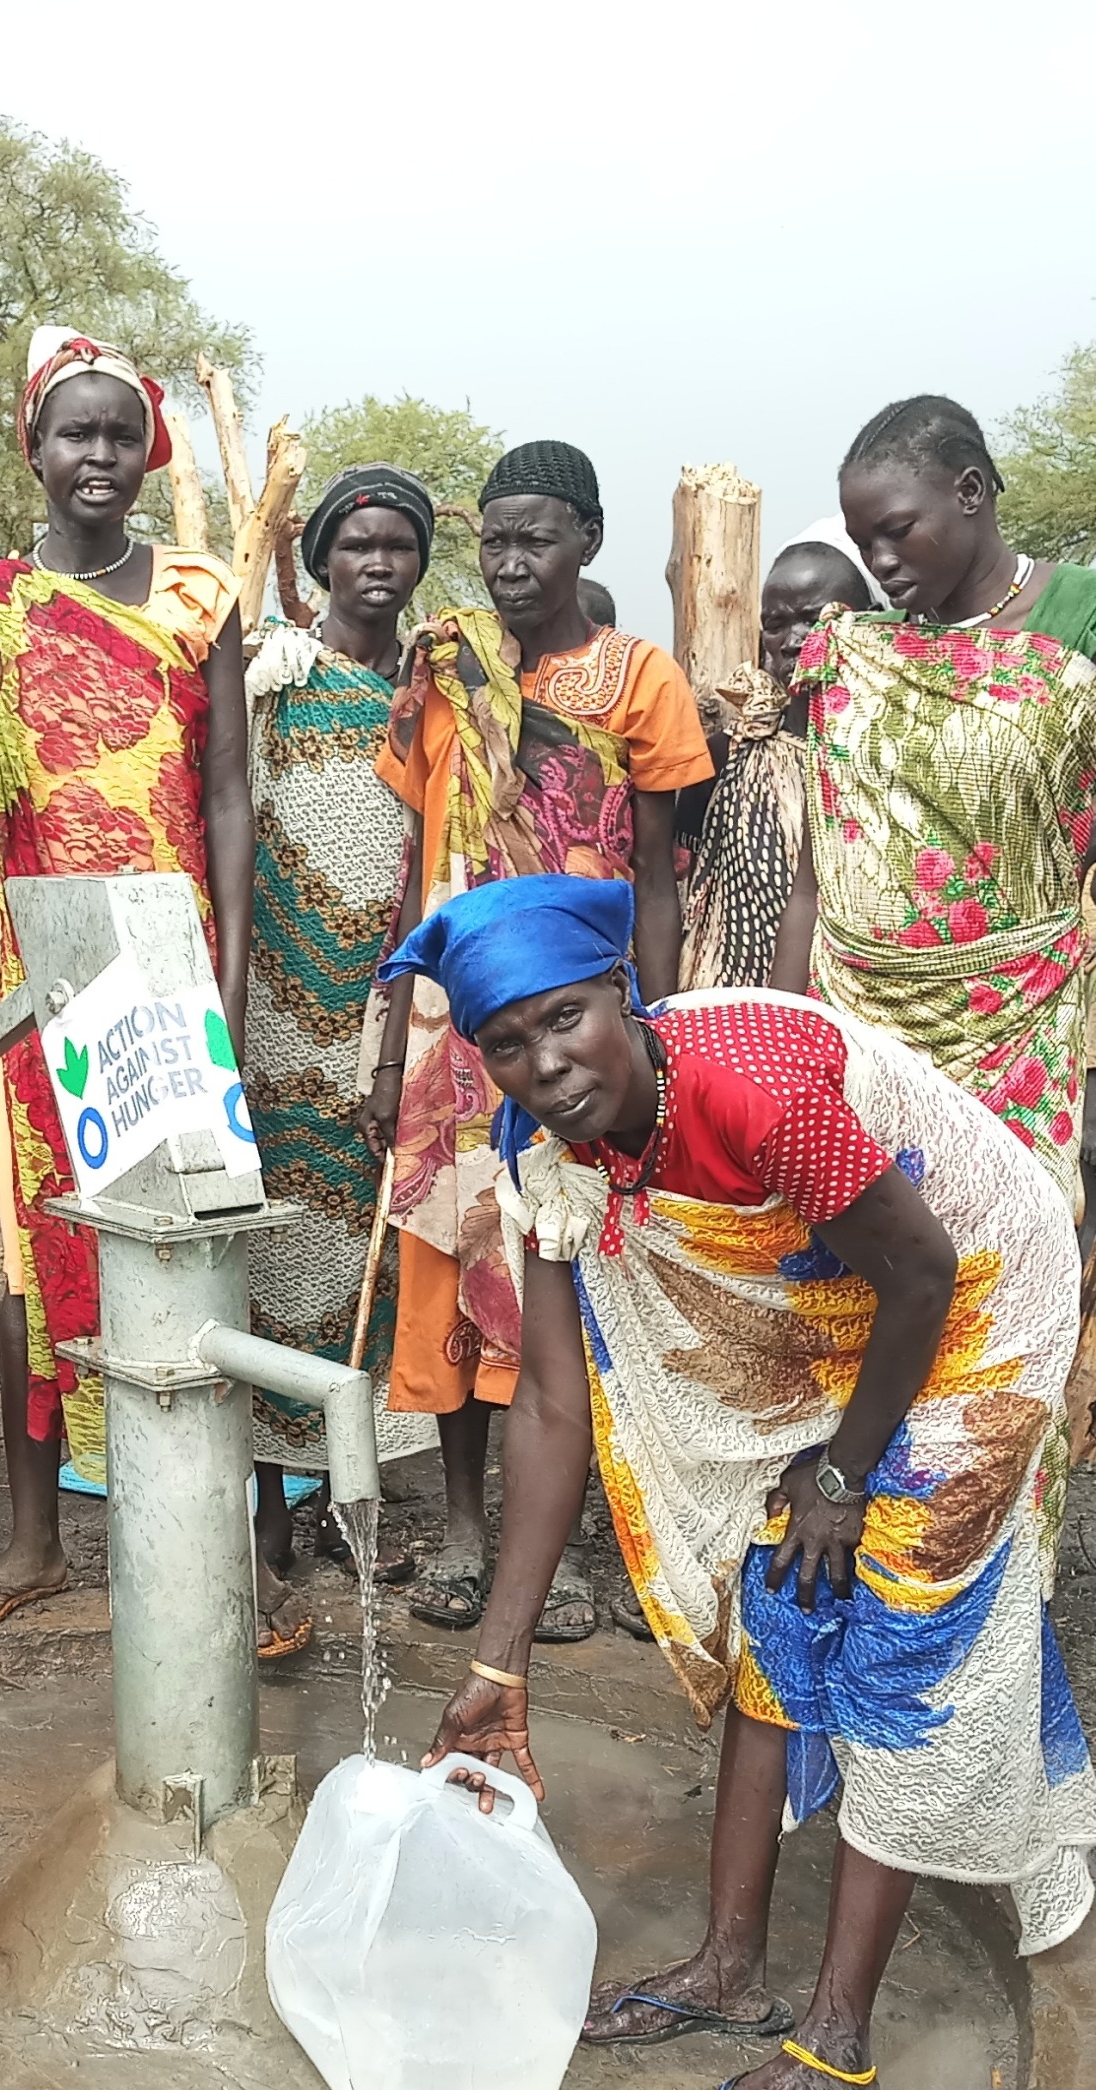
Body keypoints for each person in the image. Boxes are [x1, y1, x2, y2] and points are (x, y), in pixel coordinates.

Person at [389, 871, 1096, 2090]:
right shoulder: (542, 1147)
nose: (544, 1067)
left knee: (891, 1624)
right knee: (778, 1593)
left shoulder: (751, 1088)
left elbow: (926, 1267)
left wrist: (843, 1474)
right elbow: (550, 1404)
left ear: (624, 995)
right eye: (504, 1045)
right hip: (840, 1317)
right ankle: (728, 1967)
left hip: (980, 1299)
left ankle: (835, 2044)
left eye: (564, 1020)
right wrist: (495, 1662)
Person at [0, 328, 285, 1641]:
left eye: (120, 434)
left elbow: (230, 801)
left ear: (151, 452)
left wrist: (228, 990)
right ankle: (34, 1543)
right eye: (74, 433)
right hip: (43, 979)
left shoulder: (197, 597)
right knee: (35, 1251)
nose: (97, 455)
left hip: (174, 973)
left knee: (189, 1250)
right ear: (33, 446)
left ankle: (239, 1553)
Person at [364, 440, 711, 1638]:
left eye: (536, 540)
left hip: (581, 1031)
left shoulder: (637, 679)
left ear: (587, 542)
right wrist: (385, 1042)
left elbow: (658, 878)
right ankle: (463, 1526)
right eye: (493, 541)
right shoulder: (445, 671)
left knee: (572, 1271)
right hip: (455, 1027)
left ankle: (557, 1543)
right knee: (453, 1268)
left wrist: (657, 1038)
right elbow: (418, 868)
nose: (510, 564)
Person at [773, 396, 1096, 1211]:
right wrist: (779, 1038)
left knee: (1015, 1288)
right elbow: (816, 874)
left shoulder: (1079, 621)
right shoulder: (854, 658)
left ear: (970, 490)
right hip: (862, 1034)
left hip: (1025, 1029)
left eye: (895, 530)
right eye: (861, 541)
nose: (876, 560)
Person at [244, 467, 438, 1606]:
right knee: (273, 1257)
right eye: (356, 545)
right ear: (320, 562)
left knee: (374, 1261)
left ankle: (355, 1502)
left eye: (397, 546)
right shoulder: (276, 674)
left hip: (387, 1005)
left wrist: (398, 1033)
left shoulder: (433, 689)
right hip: (275, 1008)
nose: (377, 563)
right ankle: (271, 1507)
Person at [679, 544, 871, 992]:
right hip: (743, 1012)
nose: (793, 640)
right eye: (776, 624)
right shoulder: (727, 756)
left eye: (815, 618)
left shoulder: (898, 752)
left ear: (872, 617)